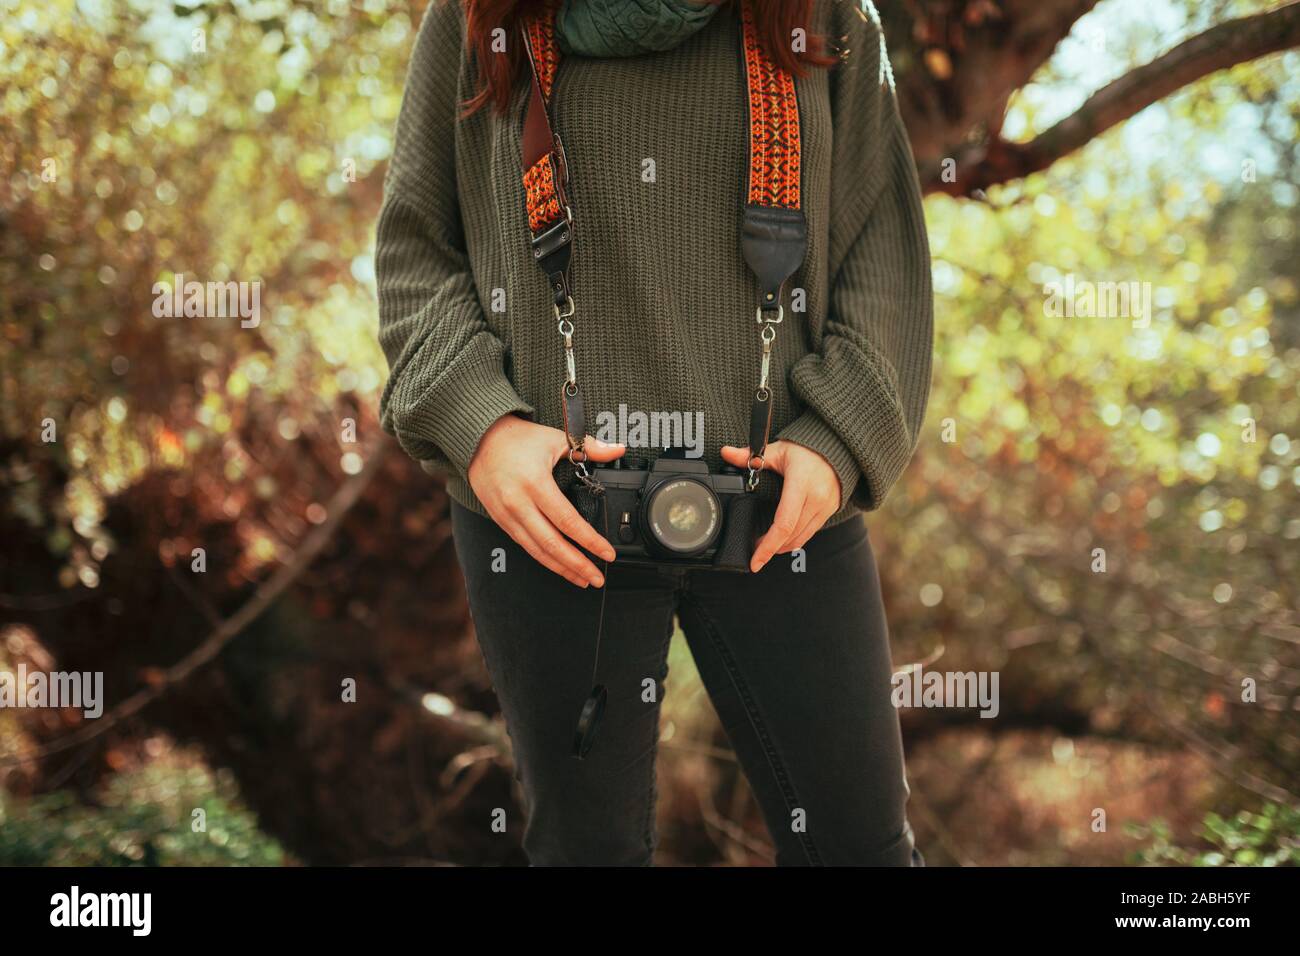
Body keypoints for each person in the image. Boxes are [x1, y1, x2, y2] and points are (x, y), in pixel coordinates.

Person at [375, 0, 933, 866]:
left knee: (859, 847)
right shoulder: (477, 17)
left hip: (784, 510)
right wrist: (480, 429)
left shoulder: (824, 14)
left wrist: (837, 440)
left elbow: (883, 256)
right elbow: (416, 252)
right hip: (550, 520)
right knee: (584, 850)